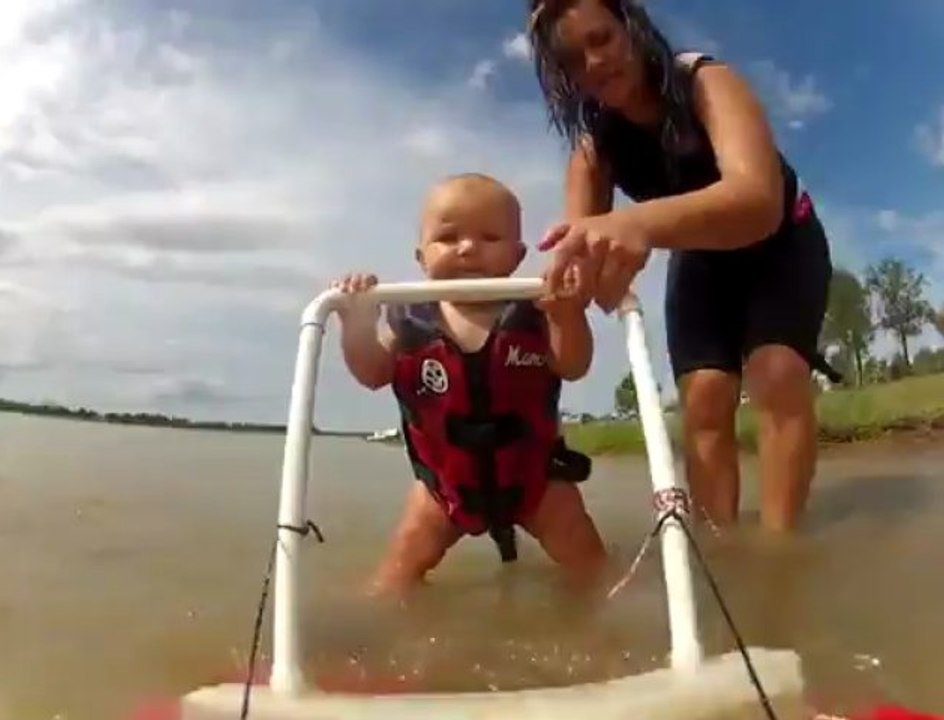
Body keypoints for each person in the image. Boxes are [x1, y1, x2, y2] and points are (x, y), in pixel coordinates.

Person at [525, 0, 835, 533]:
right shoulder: (593, 150)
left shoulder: (704, 80)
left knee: (777, 373)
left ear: (632, 27)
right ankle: (722, 550)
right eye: (573, 59)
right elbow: (583, 252)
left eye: (602, 39)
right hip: (702, 258)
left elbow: (757, 202)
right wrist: (578, 283)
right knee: (704, 399)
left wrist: (637, 224)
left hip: (783, 240)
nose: (594, 63)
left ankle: (782, 552)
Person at [331, 172, 608, 597]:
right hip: (443, 488)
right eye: (448, 237)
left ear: (517, 255)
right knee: (392, 581)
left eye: (489, 237)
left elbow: (572, 366)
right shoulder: (409, 321)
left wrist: (568, 317)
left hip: (536, 481)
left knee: (594, 569)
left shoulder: (538, 310)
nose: (467, 248)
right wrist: (356, 324)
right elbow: (372, 373)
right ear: (421, 257)